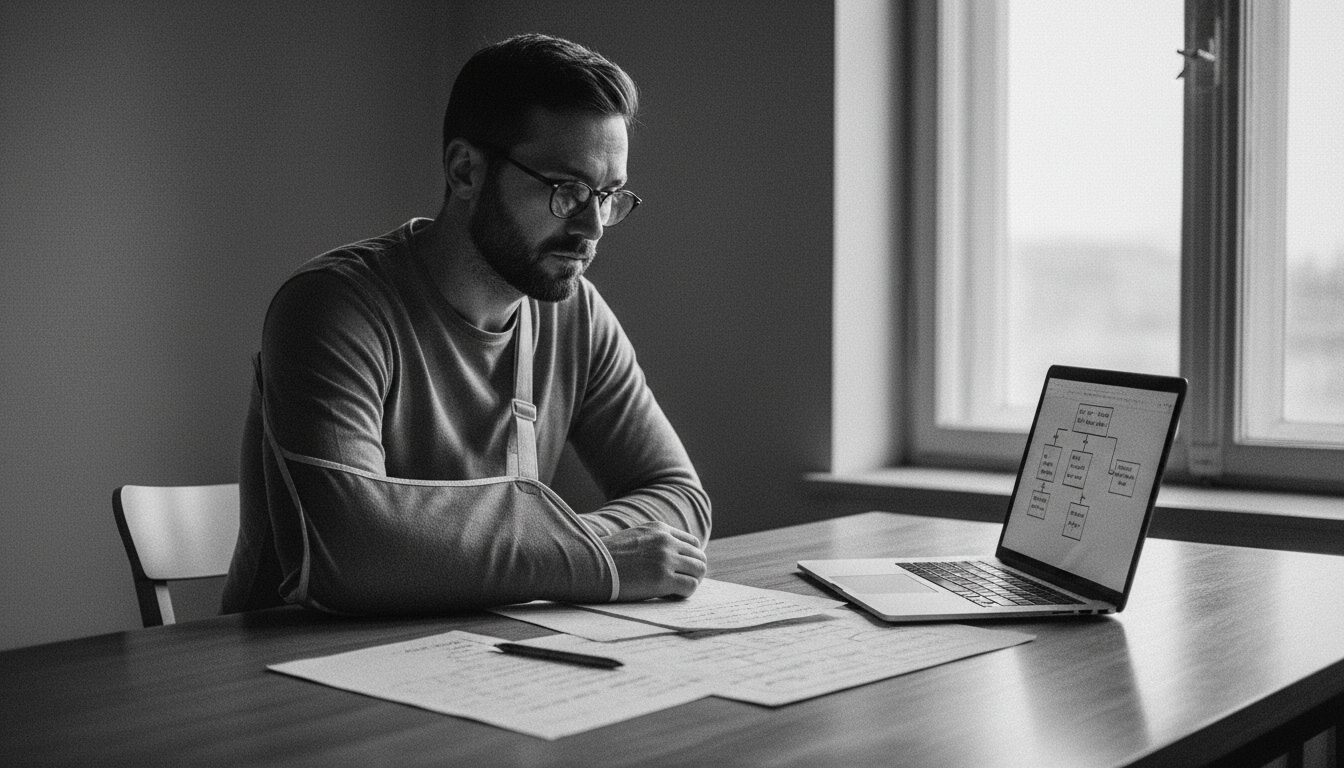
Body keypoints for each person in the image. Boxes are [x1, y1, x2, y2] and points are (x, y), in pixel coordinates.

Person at [221, 33, 711, 615]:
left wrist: (547, 551)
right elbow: (348, 553)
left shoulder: (576, 314)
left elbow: (679, 498)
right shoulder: (332, 307)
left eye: (607, 195)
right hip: (286, 675)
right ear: (465, 171)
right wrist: (596, 561)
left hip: (479, 659)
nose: (594, 227)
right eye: (568, 191)